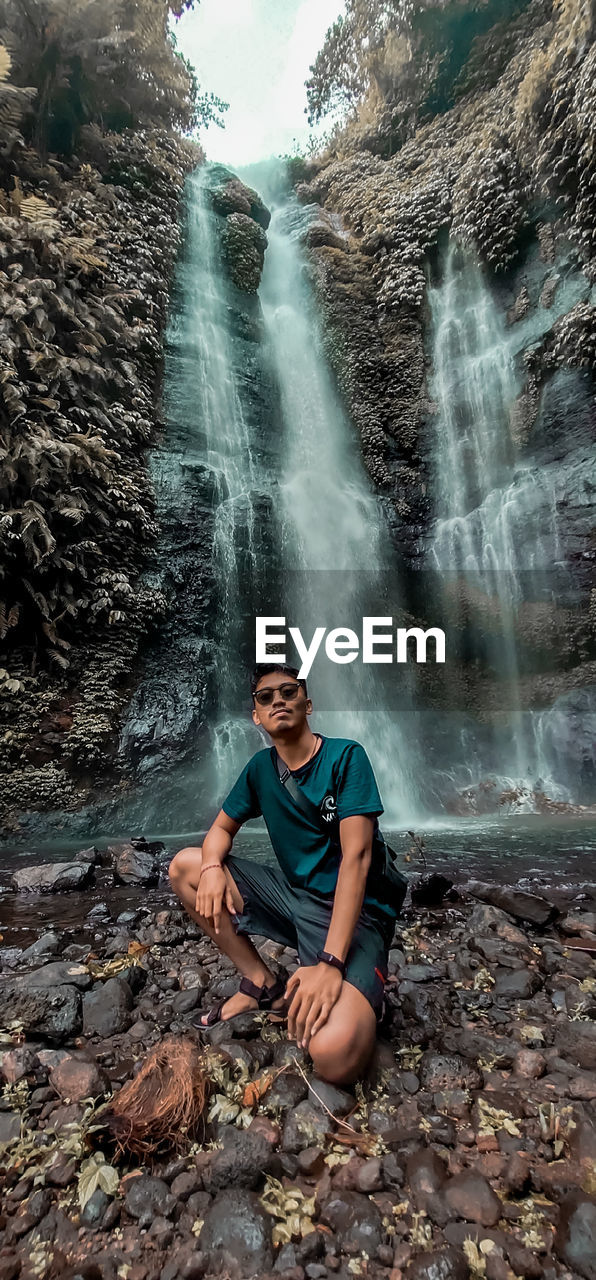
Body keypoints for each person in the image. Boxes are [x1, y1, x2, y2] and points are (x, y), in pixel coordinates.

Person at [168, 663, 399, 1085]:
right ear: (256, 715)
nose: (278, 700)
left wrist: (330, 963)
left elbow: (357, 860)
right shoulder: (260, 769)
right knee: (187, 866)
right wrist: (214, 865)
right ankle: (262, 982)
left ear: (307, 704)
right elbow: (219, 830)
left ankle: (361, 991)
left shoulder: (346, 757)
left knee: (333, 1057)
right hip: (295, 899)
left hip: (358, 912)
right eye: (265, 696)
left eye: (288, 692)